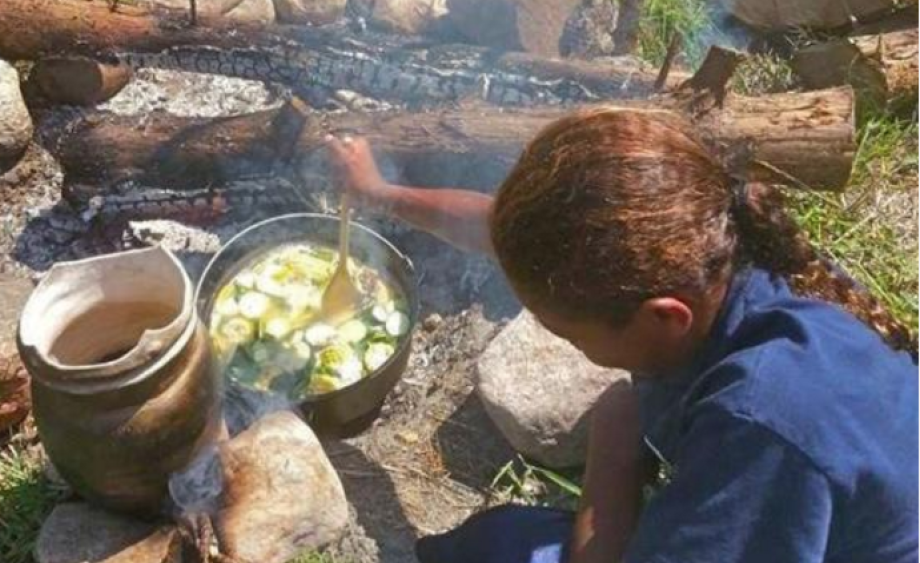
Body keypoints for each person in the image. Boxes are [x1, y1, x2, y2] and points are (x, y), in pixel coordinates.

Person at [325, 107, 919, 563]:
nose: (571, 347)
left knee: (503, 544)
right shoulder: (722, 250)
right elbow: (503, 232)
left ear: (664, 316)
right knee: (496, 540)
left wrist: (614, 447)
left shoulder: (761, 430)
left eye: (571, 335)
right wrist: (381, 194)